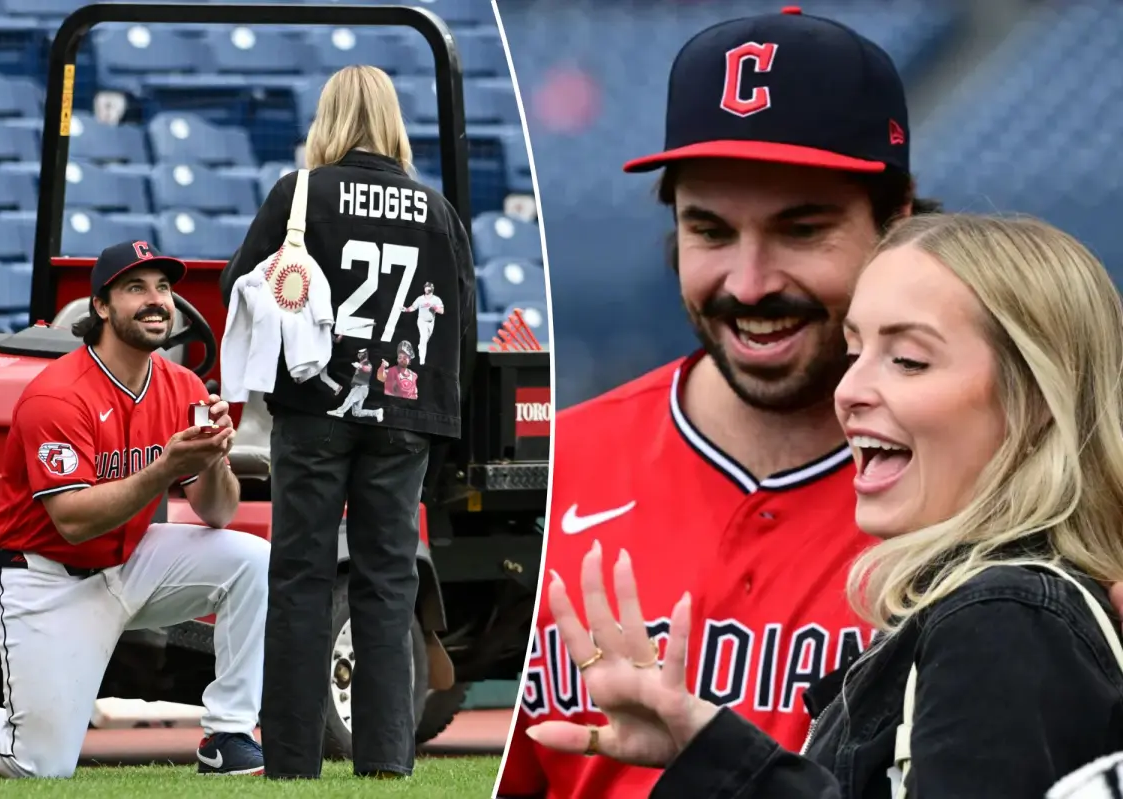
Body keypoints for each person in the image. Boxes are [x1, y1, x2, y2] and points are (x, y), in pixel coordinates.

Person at [498, 8, 940, 797]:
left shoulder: (989, 500)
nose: (748, 282)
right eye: (709, 229)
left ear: (896, 221)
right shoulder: (558, 471)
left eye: (801, 229)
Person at [528, 213, 1123, 797]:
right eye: (853, 351)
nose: (849, 391)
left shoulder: (1004, 616)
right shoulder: (997, 608)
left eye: (909, 360)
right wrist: (711, 750)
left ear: (1039, 397)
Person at [0, 241, 270, 779]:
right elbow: (74, 520)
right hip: (44, 574)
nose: (155, 301)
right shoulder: (58, 394)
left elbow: (218, 513)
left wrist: (216, 457)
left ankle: (227, 734)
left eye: (164, 288)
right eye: (136, 288)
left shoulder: (183, 385)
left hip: (127, 559)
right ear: (102, 308)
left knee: (250, 558)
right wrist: (163, 468)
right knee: (39, 764)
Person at [222, 64, 476, 780]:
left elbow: (236, 288)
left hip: (315, 407)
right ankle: (387, 761)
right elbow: (463, 324)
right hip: (407, 412)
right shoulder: (436, 209)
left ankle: (294, 761)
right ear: (393, 118)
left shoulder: (299, 193)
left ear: (327, 117)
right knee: (388, 582)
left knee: (301, 578)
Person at [403, 282, 444, 365]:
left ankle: (420, 346)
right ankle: (422, 361)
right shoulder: (420, 299)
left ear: (432, 288)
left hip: (431, 322)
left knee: (425, 339)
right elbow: (413, 307)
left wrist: (435, 308)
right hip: (422, 321)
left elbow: (442, 311)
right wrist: (406, 309)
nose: (426, 289)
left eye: (428, 287)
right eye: (425, 287)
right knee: (424, 338)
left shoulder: (436, 299)